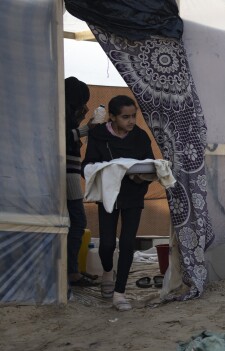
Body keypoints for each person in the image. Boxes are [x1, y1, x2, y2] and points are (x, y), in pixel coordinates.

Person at [82, 95, 155, 311]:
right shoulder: (98, 135)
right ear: (112, 117)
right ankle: (107, 272)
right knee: (106, 244)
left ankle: (120, 293)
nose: (131, 121)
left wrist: (141, 176)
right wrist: (109, 171)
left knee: (127, 243)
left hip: (134, 194)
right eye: (125, 117)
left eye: (134, 116)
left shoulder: (140, 137)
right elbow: (88, 165)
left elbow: (151, 164)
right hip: (108, 195)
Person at [64, 77, 97, 288]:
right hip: (67, 175)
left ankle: (71, 270)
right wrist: (87, 129)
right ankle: (72, 273)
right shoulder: (60, 115)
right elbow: (64, 138)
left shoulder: (66, 114)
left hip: (70, 173)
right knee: (77, 222)